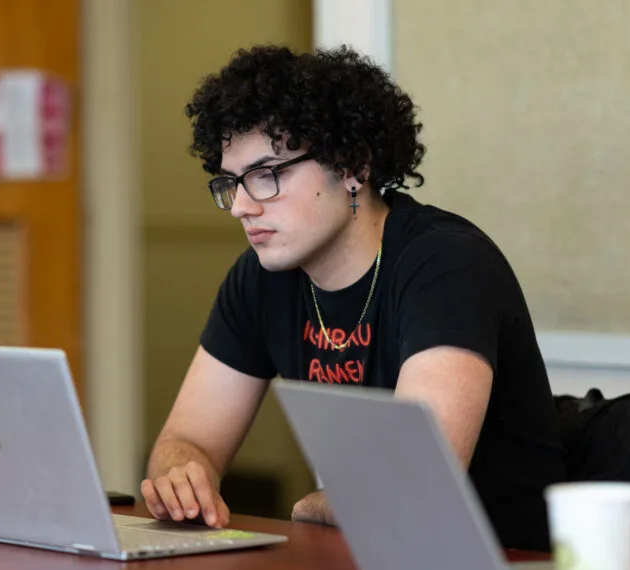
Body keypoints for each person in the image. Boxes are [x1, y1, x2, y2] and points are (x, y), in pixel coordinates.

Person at [140, 44, 566, 552]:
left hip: (499, 558)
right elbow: (185, 442)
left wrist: (310, 507)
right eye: (232, 183)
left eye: (267, 175)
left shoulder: (446, 264)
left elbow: (412, 486)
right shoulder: (261, 278)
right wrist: (180, 474)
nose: (241, 207)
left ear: (352, 168)